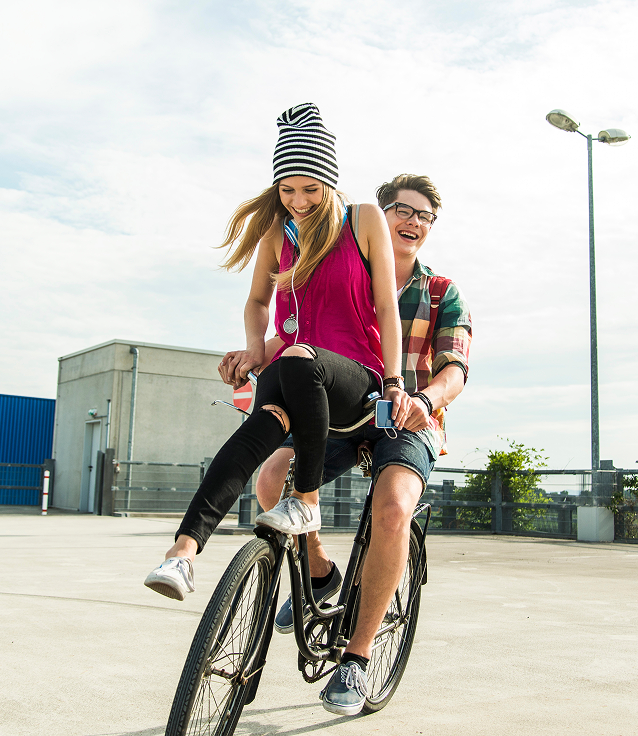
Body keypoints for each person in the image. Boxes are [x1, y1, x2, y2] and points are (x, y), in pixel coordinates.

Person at [143, 103, 413, 601]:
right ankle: (182, 554)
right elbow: (257, 300)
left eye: (310, 189)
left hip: (355, 380)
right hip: (296, 370)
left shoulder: (364, 220)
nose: (299, 201)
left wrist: (394, 381)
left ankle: (305, 499)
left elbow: (386, 307)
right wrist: (252, 349)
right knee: (254, 433)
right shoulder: (279, 233)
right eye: (287, 190)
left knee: (298, 359)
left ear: (330, 183)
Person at [254, 174, 472, 715]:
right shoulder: (337, 261)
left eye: (424, 216)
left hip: (406, 418)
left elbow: (456, 368)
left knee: (393, 507)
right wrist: (251, 352)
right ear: (377, 217)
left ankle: (358, 656)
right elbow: (293, 330)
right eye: (402, 209)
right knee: (270, 477)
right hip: (348, 410)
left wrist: (426, 397)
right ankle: (321, 567)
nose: (412, 222)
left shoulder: (440, 291)